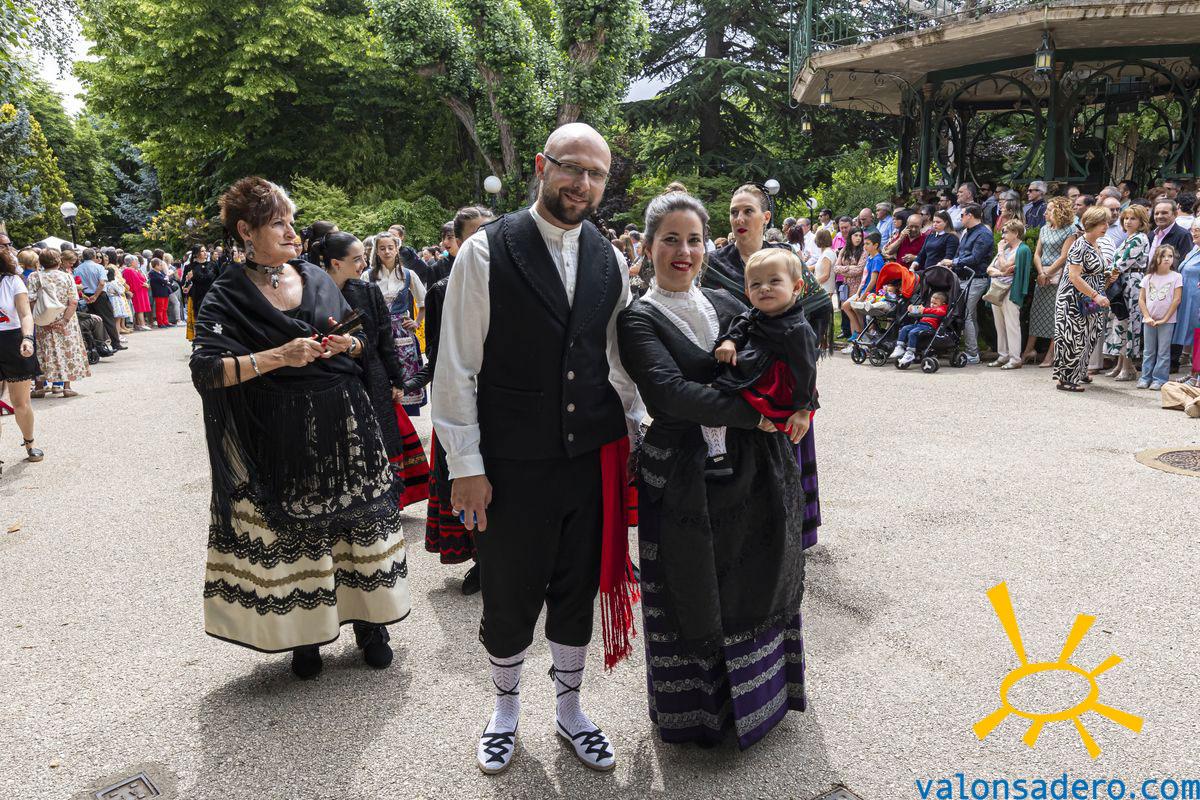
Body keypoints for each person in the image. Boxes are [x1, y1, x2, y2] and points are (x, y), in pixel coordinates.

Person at [432, 124, 643, 775]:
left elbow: (620, 361)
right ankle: (504, 710)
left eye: (596, 174)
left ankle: (571, 710)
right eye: (571, 167)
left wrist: (640, 429)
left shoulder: (609, 258)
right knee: (509, 592)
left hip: (590, 460)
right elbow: (456, 368)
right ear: (541, 166)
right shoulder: (486, 251)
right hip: (512, 462)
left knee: (576, 590)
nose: (582, 183)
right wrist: (466, 466)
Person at [190, 176, 410, 678]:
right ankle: (305, 637)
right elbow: (207, 371)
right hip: (279, 430)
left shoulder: (314, 275)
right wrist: (279, 356)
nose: (293, 233)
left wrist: (347, 345)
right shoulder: (227, 293)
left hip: (346, 422)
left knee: (357, 525)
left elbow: (359, 337)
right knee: (297, 532)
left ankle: (371, 625)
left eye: (292, 222)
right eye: (279, 224)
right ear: (245, 231)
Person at [617, 191, 809, 750]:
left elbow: (794, 348)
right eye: (671, 240)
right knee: (694, 588)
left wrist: (802, 403)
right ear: (647, 247)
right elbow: (670, 395)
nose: (684, 251)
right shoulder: (637, 320)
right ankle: (701, 716)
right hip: (684, 474)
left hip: (756, 467)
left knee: (757, 577)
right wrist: (759, 413)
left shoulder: (733, 301)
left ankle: (764, 702)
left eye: (694, 240)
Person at [315, 231, 431, 511]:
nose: (364, 264)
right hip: (332, 381)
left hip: (373, 376)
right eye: (357, 259)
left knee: (381, 437)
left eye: (364, 258)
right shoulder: (311, 295)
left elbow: (384, 339)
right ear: (335, 263)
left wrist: (396, 380)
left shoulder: (367, 291)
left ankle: (386, 499)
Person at [415, 206, 495, 596]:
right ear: (456, 243)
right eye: (474, 235)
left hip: (503, 400)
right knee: (464, 476)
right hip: (463, 397)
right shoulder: (441, 289)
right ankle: (481, 559)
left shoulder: (511, 280)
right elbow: (438, 352)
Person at [703, 247, 820, 475]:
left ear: (796, 287)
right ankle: (717, 447)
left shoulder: (798, 329)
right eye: (755, 284)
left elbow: (806, 371)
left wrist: (803, 411)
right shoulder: (757, 313)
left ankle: (722, 452)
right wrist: (730, 341)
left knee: (770, 424)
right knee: (714, 390)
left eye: (774, 281)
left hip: (779, 386)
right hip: (756, 369)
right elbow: (744, 321)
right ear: (747, 292)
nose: (764, 288)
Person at [365, 232, 427, 415]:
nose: (387, 252)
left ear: (397, 249)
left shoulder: (408, 274)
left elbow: (424, 302)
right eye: (382, 248)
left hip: (402, 332)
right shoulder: (368, 276)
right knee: (381, 371)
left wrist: (416, 322)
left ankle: (405, 417)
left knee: (405, 373)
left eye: (390, 248)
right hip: (378, 331)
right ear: (376, 251)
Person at [1053, 206, 1112, 392]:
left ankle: (1079, 371)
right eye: (1102, 223)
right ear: (1091, 224)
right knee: (1073, 337)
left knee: (1090, 335)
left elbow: (1093, 271)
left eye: (1107, 222)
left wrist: (1108, 277)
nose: (1106, 226)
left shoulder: (1096, 244)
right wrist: (1096, 295)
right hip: (1073, 299)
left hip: (1090, 300)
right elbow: (1074, 276)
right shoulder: (1079, 245)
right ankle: (1065, 379)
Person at [703, 184, 787, 305]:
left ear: (766, 217)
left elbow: (814, 303)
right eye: (734, 212)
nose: (739, 219)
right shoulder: (711, 264)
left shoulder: (785, 256)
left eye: (748, 211)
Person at [0, 240, 43, 472]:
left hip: (13, 341)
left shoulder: (12, 281)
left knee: (20, 403)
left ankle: (29, 443)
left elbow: (26, 314)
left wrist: (27, 338)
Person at [27, 250, 90, 397]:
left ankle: (40, 387)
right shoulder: (66, 277)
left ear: (40, 262)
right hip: (66, 320)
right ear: (59, 261)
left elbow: (31, 300)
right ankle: (66, 387)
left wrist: (40, 319)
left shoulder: (34, 276)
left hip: (44, 321)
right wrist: (64, 320)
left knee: (44, 352)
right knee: (67, 350)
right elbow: (73, 301)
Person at [1101, 205, 1151, 380]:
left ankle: (1128, 368)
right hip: (1122, 282)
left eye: (1133, 218)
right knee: (1120, 322)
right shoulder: (1128, 238)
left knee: (1128, 323)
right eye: (1126, 218)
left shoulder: (1140, 238)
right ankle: (1120, 365)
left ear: (1141, 221)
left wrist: (1104, 274)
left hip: (1132, 283)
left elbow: (1122, 263)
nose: (1128, 222)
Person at [941, 203, 995, 364]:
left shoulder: (984, 234)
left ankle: (973, 353)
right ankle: (970, 349)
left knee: (967, 315)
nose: (960, 218)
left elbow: (975, 258)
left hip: (976, 278)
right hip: (963, 277)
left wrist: (953, 262)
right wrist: (953, 263)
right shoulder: (967, 232)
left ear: (970, 215)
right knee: (968, 314)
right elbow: (961, 253)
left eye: (962, 215)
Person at [1028, 197, 1078, 368]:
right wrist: (1041, 272)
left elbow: (1064, 256)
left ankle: (1051, 355)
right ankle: (1029, 350)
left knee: (1055, 315)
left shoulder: (1070, 230)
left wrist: (1048, 273)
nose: (1045, 213)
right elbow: (1037, 254)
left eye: (1049, 210)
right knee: (1036, 312)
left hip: (1058, 276)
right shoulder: (1044, 229)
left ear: (1060, 211)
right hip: (1043, 275)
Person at [986, 220, 1033, 369]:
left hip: (1011, 291)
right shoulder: (1006, 248)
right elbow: (989, 269)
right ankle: (1003, 355)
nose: (1002, 235)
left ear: (1016, 233)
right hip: (998, 289)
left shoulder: (1022, 249)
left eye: (1005, 232)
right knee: (999, 325)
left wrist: (1000, 252)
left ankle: (1015, 358)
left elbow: (1005, 265)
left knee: (1012, 325)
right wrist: (1002, 273)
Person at [1137, 245, 1183, 390]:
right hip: (1149, 320)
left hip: (1167, 321)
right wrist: (1147, 316)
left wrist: (1165, 319)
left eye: (1170, 256)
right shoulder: (1148, 277)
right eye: (1163, 256)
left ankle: (1160, 379)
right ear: (1156, 258)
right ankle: (1145, 377)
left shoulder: (1176, 277)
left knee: (1163, 351)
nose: (1166, 259)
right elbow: (1141, 299)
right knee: (1148, 351)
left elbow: (1176, 300)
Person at [841, 231, 884, 350]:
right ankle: (859, 332)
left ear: (875, 245)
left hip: (871, 292)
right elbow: (864, 278)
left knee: (855, 307)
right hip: (862, 290)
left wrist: (863, 296)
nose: (864, 246)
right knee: (846, 306)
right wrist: (858, 293)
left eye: (867, 244)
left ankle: (861, 334)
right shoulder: (870, 257)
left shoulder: (877, 259)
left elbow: (873, 281)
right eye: (864, 244)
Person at [75, 248, 122, 352]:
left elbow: (77, 284)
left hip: (86, 295)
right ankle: (115, 343)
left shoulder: (77, 269)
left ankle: (97, 345)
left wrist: (84, 296)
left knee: (93, 321)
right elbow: (101, 283)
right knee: (108, 319)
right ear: (94, 256)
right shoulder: (99, 267)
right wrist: (96, 296)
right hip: (99, 295)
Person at [1171, 220, 1200, 380]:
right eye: (1192, 229)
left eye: (1198, 230)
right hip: (1189, 297)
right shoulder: (1195, 249)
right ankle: (1194, 374)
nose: (1194, 233)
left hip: (1197, 300)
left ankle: (1196, 376)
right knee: (1195, 336)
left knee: (1198, 335)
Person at [890, 292, 950, 366]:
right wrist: (912, 309)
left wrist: (924, 310)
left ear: (943, 303)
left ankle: (910, 353)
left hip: (929, 326)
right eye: (931, 302)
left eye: (935, 303)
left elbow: (941, 312)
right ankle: (900, 347)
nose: (932, 305)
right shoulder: (929, 308)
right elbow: (920, 311)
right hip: (920, 324)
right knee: (904, 328)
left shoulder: (942, 308)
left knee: (913, 332)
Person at [122, 254, 152, 331]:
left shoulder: (133, 270)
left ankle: (139, 324)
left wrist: (144, 283)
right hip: (137, 291)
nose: (137, 262)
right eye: (136, 261)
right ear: (132, 262)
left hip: (139, 290)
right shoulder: (129, 270)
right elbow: (136, 282)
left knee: (140, 308)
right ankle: (142, 324)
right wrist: (144, 284)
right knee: (139, 308)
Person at [149, 259, 173, 328]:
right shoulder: (152, 273)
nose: (161, 266)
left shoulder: (161, 272)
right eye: (160, 265)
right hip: (159, 293)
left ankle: (165, 321)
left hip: (165, 292)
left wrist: (166, 280)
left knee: (165, 308)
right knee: (160, 309)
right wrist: (166, 280)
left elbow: (168, 279)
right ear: (156, 265)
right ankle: (160, 323)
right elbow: (162, 280)